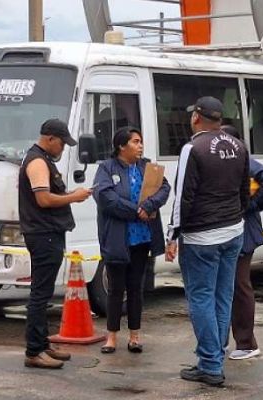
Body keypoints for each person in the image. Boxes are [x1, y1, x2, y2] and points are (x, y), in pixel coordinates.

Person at [165, 97, 249, 387]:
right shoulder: (239, 146)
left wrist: (172, 233)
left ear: (197, 117)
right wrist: (237, 219)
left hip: (202, 236)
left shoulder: (193, 148)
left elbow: (182, 196)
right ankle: (214, 356)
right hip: (233, 231)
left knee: (200, 298)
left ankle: (211, 364)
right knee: (222, 297)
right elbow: (243, 191)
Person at [19, 118, 92, 369]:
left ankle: (42, 343)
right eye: (61, 143)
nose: (63, 148)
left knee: (45, 292)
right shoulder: (38, 161)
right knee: (40, 294)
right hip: (43, 234)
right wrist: (74, 196)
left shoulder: (43, 159)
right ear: (50, 138)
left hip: (47, 232)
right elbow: (44, 200)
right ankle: (34, 351)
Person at [93, 127, 170, 354]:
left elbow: (164, 188)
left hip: (142, 237)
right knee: (116, 288)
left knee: (136, 287)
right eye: (135, 142)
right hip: (117, 237)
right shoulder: (106, 169)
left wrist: (149, 206)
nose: (140, 146)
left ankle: (135, 336)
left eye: (141, 142)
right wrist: (136, 210)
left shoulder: (147, 166)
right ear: (121, 146)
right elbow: (105, 197)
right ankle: (111, 337)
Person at [220, 125, 263, 361]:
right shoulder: (227, 162)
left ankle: (246, 343)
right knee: (223, 288)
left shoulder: (244, 160)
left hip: (243, 236)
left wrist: (249, 206)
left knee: (238, 286)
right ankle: (221, 340)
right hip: (226, 233)